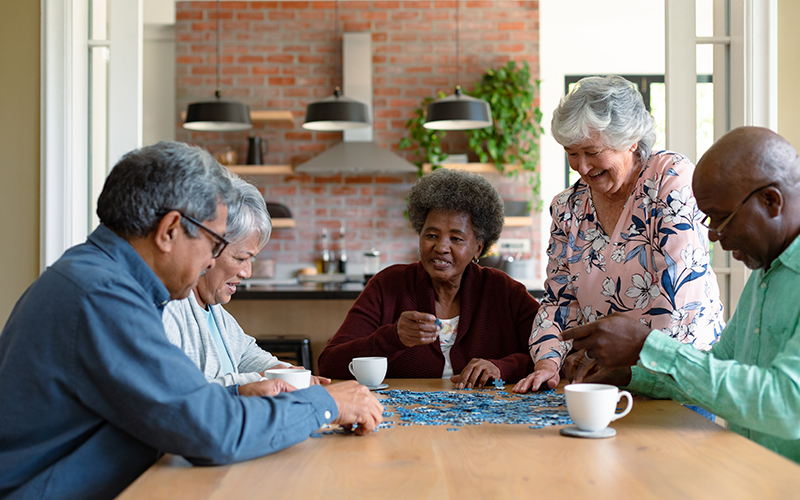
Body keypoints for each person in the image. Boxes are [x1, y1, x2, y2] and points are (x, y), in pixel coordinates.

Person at [0, 142, 383, 500]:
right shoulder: (104, 297)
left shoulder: (97, 277)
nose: (211, 261)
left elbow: (167, 406)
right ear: (169, 231)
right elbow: (212, 433)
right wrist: (324, 404)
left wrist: (234, 394)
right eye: (215, 244)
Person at [560, 126, 800, 463]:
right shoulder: (766, 272)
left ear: (771, 201)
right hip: (753, 476)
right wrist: (634, 375)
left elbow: (789, 406)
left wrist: (648, 345)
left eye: (721, 219)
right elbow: (717, 368)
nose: (713, 236)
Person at [513, 75, 725, 393]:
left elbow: (678, 297)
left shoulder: (670, 180)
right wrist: (547, 363)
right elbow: (559, 301)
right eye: (572, 153)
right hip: (604, 379)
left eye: (592, 152)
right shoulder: (568, 207)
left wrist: (630, 370)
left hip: (677, 377)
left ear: (631, 141)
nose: (582, 167)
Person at [318, 168, 540, 388]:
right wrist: (393, 338)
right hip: (402, 416)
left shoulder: (504, 291)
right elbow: (329, 363)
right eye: (431, 235)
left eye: (456, 238)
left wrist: (503, 367)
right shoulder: (388, 285)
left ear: (478, 248)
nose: (441, 247)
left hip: (487, 418)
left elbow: (554, 355)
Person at [162, 172, 330, 394]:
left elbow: (245, 353)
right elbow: (185, 395)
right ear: (207, 244)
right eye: (241, 258)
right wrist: (258, 379)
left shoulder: (215, 310)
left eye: (252, 259)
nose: (247, 272)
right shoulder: (168, 308)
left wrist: (283, 371)